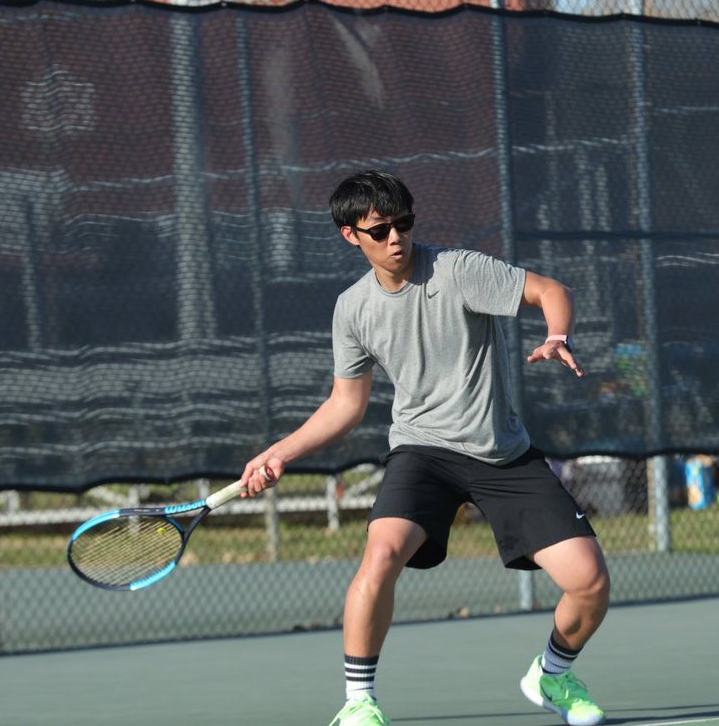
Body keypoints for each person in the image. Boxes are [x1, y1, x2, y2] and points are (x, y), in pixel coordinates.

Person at [239, 170, 610, 726]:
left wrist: (556, 334)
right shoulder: (353, 308)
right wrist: (280, 452)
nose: (396, 238)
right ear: (350, 235)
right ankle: (358, 702)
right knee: (382, 553)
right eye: (379, 229)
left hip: (500, 453)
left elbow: (552, 291)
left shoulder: (459, 271)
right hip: (422, 452)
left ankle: (553, 674)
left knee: (590, 581)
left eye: (404, 223)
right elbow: (345, 404)